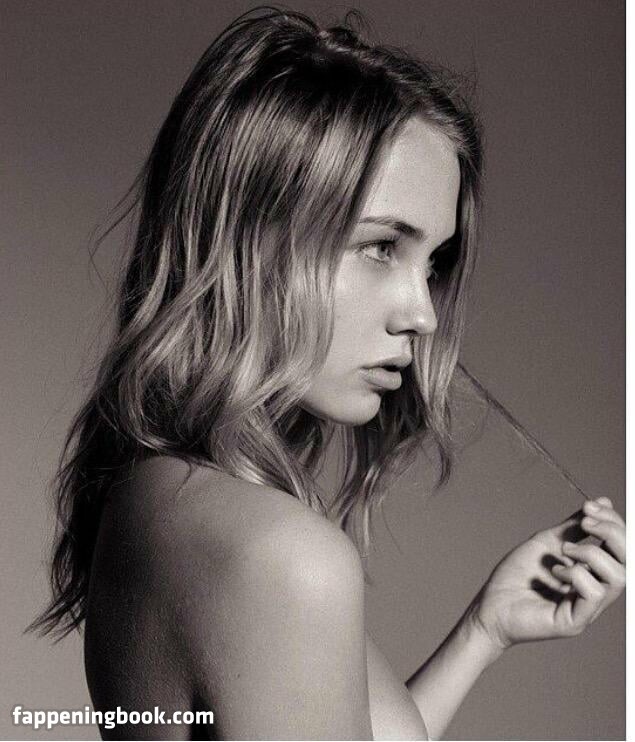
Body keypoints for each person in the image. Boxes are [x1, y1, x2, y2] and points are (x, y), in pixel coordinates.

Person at [30, 7, 625, 740]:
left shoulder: (159, 495)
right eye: (380, 247)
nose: (423, 314)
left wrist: (485, 631)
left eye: (432, 263)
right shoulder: (281, 554)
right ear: (254, 239)